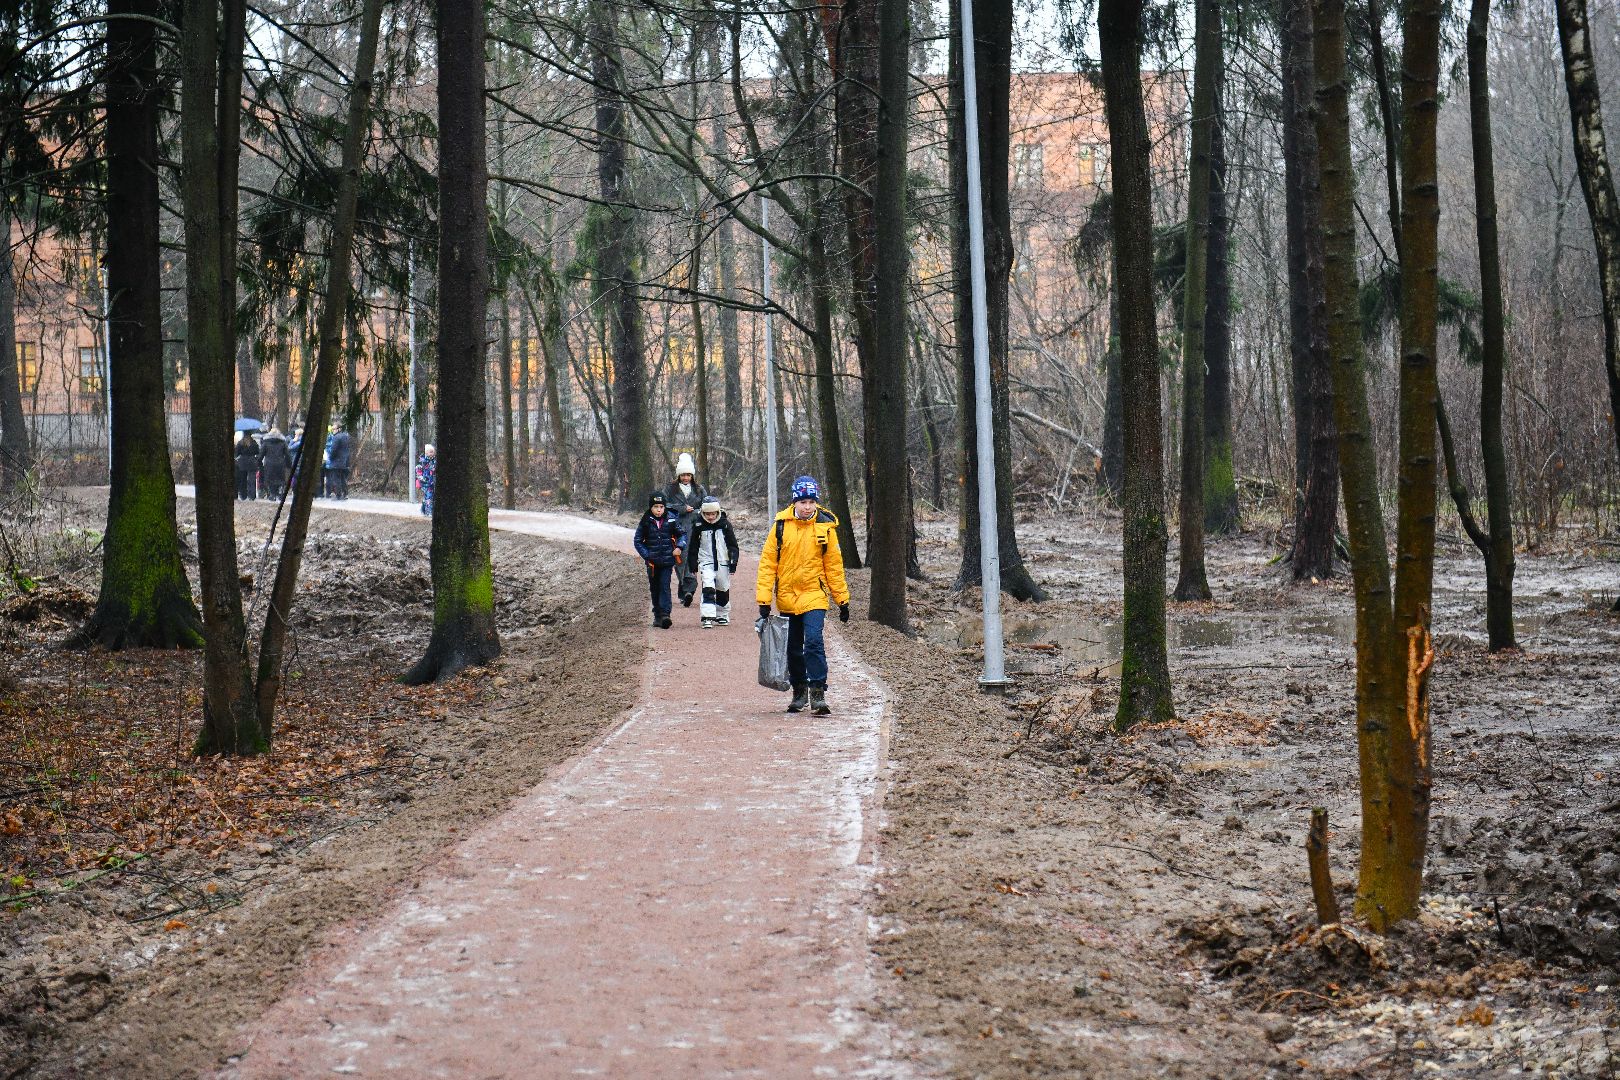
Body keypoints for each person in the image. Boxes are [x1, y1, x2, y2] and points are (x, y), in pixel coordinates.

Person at [756, 475, 850, 715]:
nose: (807, 507)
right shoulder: (779, 527)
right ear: (794, 502)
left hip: (814, 595)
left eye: (811, 502)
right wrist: (764, 601)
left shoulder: (825, 528)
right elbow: (768, 565)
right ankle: (799, 691)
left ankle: (818, 692)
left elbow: (834, 567)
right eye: (803, 502)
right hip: (787, 596)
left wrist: (842, 599)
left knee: (814, 642)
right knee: (793, 648)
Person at [633, 491, 686, 629]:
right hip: (652, 562)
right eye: (656, 507)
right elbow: (638, 541)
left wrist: (679, 547)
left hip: (667, 560)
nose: (658, 510)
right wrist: (647, 555)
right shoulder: (645, 521)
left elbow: (682, 535)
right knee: (654, 587)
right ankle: (657, 615)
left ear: (665, 507)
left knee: (664, 586)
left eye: (661, 507)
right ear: (651, 507)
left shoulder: (671, 519)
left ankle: (665, 615)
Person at [661, 452, 707, 608]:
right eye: (683, 475)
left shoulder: (699, 489)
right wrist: (681, 508)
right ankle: (690, 586)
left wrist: (695, 512)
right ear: (678, 475)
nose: (686, 478)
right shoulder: (670, 489)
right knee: (679, 558)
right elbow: (663, 506)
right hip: (675, 528)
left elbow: (706, 507)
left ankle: (685, 593)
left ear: (692, 475)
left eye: (688, 475)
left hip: (694, 529)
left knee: (690, 558)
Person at [689, 496, 739, 628]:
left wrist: (733, 563)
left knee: (723, 588)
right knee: (708, 587)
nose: (710, 517)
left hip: (723, 561)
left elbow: (733, 545)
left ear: (717, 512)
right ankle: (707, 616)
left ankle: (722, 614)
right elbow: (693, 546)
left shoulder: (725, 525)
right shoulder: (698, 525)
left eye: (713, 514)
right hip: (706, 561)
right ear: (703, 513)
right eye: (707, 514)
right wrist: (693, 565)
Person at [259, 428, 291, 498]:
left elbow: (261, 454)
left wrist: (259, 462)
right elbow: (287, 454)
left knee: (270, 479)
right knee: (280, 478)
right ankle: (279, 492)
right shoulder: (283, 443)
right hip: (280, 463)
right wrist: (289, 464)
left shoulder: (265, 443)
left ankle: (272, 494)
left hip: (269, 463)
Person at [325, 424, 352, 499]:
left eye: (334, 429)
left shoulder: (336, 437)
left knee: (336, 479)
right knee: (343, 478)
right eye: (332, 429)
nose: (333, 431)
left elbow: (333, 450)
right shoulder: (346, 436)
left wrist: (330, 457)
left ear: (339, 429)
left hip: (336, 461)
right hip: (344, 461)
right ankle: (345, 494)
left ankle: (338, 495)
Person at [233, 431, 261, 501]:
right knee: (252, 479)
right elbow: (258, 452)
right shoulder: (254, 443)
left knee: (243, 479)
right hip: (252, 462)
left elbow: (236, 453)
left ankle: (243, 495)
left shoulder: (240, 443)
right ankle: (252, 495)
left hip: (242, 462)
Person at [416, 443, 436, 517]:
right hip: (426, 482)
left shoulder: (434, 461)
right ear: (426, 453)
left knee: (429, 497)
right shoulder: (423, 461)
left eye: (433, 452)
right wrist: (421, 477)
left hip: (433, 482)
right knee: (429, 496)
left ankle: (423, 510)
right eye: (430, 452)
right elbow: (418, 469)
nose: (432, 453)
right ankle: (429, 512)